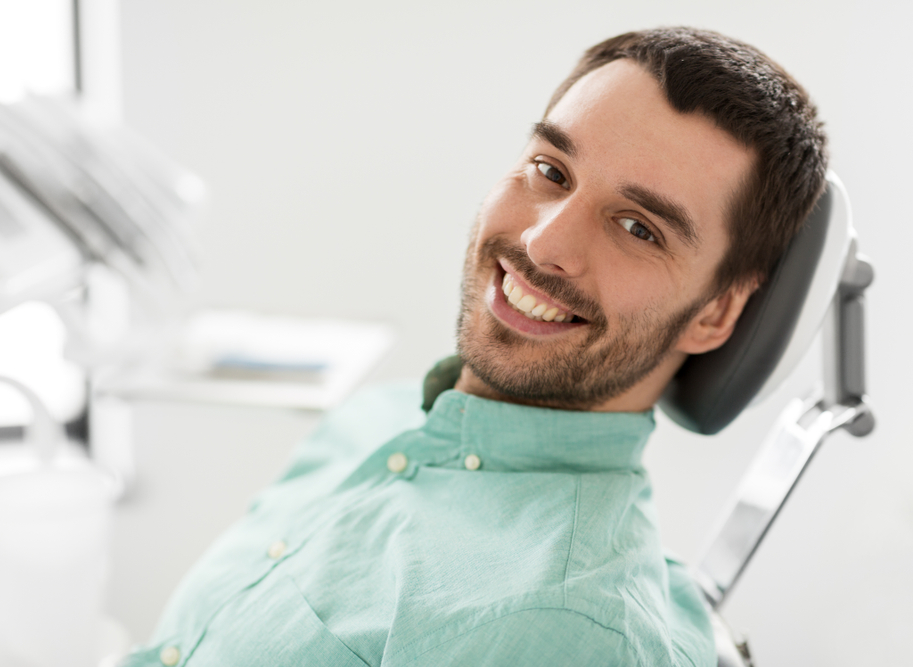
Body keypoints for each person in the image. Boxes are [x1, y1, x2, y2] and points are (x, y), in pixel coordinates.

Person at [122, 26, 826, 667]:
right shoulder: (375, 420)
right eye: (551, 170)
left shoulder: (571, 628)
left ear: (716, 312)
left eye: (638, 228)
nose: (543, 241)